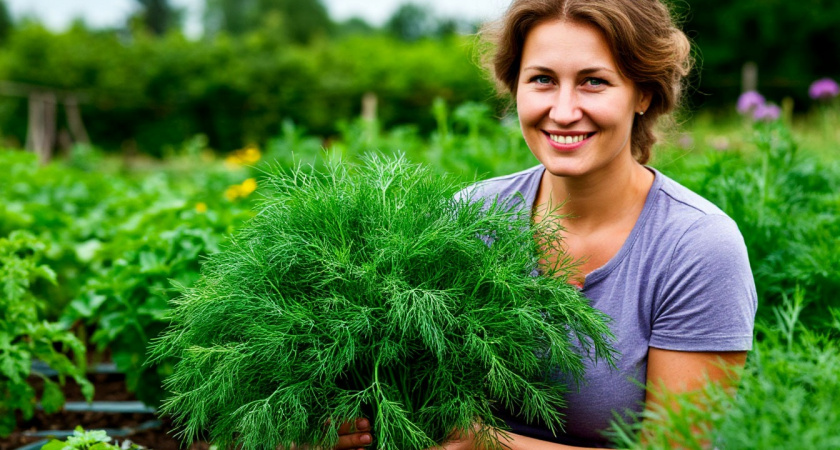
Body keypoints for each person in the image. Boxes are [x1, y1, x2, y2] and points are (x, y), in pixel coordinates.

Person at [335, 0, 757, 448]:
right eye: (542, 80)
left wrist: (491, 444)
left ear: (643, 94)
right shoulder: (467, 218)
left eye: (594, 81)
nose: (563, 110)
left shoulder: (697, 247)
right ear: (514, 86)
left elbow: (675, 447)